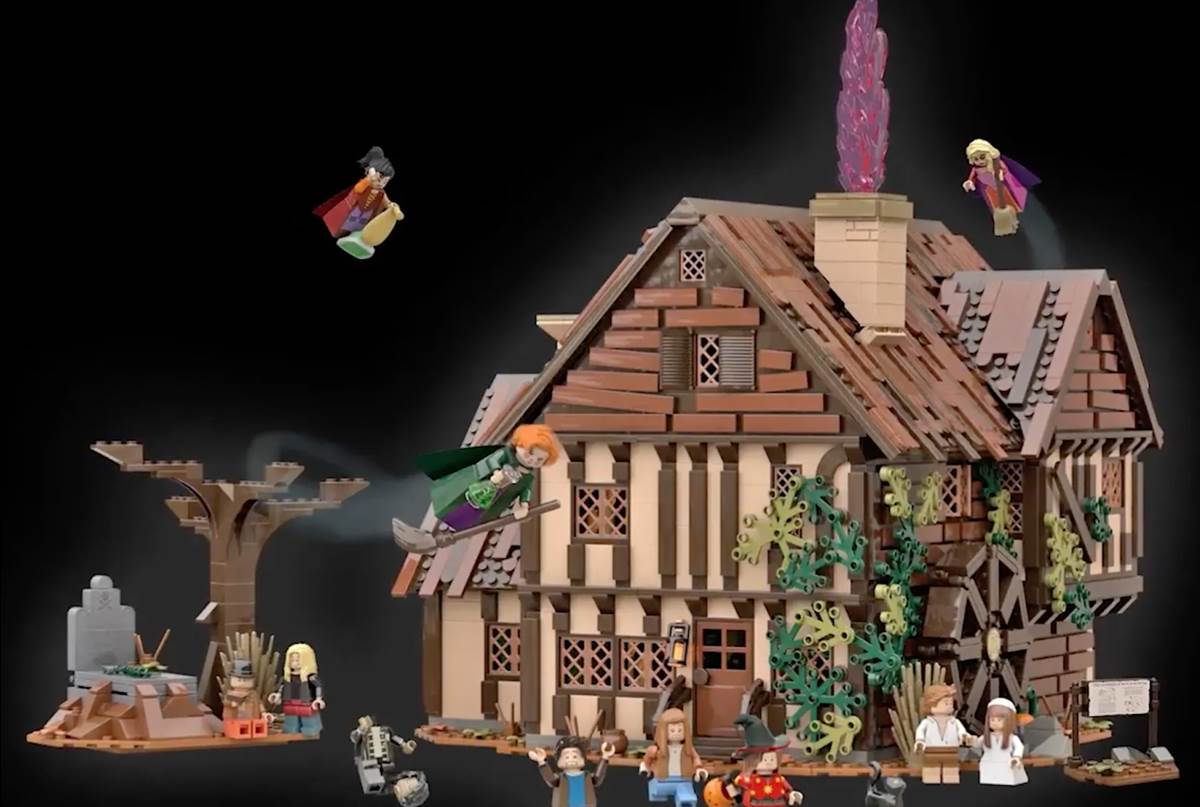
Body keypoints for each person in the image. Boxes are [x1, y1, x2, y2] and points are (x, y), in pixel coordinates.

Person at [314, 146, 405, 258]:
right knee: (342, 229)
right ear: (370, 172)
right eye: (381, 177)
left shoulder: (381, 193)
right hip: (354, 213)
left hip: (366, 217)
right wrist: (371, 176)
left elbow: (387, 202)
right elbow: (358, 189)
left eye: (386, 181)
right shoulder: (364, 183)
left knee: (359, 230)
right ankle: (346, 239)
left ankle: (355, 242)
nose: (382, 183)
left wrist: (392, 206)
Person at [961, 139, 1040, 237]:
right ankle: (1004, 221)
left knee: (1009, 202)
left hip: (1001, 187)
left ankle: (1012, 216)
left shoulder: (996, 163)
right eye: (976, 159)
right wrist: (969, 183)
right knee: (995, 205)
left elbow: (1004, 169)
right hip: (988, 190)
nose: (980, 161)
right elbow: (972, 178)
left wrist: (1000, 173)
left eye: (982, 157)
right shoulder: (976, 169)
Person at [723, 714, 803, 807]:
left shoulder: (779, 779)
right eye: (764, 759)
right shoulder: (749, 779)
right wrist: (734, 793)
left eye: (772, 758)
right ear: (753, 760)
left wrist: (792, 795)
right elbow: (734, 787)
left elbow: (788, 791)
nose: (768, 762)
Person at [641, 708, 709, 807]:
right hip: (663, 780)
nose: (676, 733)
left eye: (680, 730)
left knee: (687, 799)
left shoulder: (687, 749)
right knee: (659, 793)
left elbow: (695, 759)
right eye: (672, 730)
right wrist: (646, 768)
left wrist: (699, 769)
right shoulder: (657, 750)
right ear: (663, 731)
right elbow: (647, 759)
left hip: (684, 780)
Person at [913, 684, 976, 784]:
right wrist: (920, 741)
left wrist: (964, 737)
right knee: (931, 772)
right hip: (931, 752)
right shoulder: (927, 723)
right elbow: (920, 732)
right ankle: (931, 780)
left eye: (951, 703)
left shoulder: (954, 722)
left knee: (950, 771)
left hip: (951, 752)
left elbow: (961, 732)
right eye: (946, 703)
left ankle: (950, 780)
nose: (950, 706)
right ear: (932, 705)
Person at [528, 735, 616, 807]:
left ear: (583, 759)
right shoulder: (560, 778)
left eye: (575, 756)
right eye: (566, 757)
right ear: (559, 761)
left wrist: (605, 757)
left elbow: (598, 778)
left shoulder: (587, 776)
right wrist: (542, 762)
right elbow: (551, 780)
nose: (571, 759)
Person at [267, 642, 325, 737]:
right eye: (292, 660)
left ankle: (310, 729)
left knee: (308, 719)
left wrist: (318, 699)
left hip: (306, 702)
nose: (294, 663)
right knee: (291, 719)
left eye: (297, 660)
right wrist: (278, 695)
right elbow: (283, 686)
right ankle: (291, 728)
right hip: (290, 702)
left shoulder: (310, 677)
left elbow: (318, 686)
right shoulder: (288, 676)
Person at [977, 698, 1027, 786]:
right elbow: (977, 743)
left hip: (1006, 765)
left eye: (999, 720)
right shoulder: (985, 737)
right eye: (992, 720)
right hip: (988, 766)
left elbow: (1019, 747)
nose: (995, 723)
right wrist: (969, 740)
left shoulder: (1012, 738)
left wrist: (1016, 757)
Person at [221, 658, 268, 739]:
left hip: (252, 721)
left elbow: (259, 703)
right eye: (239, 679)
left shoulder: (254, 694)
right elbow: (226, 703)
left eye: (246, 680)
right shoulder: (232, 694)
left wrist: (263, 713)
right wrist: (232, 704)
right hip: (235, 721)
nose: (242, 682)